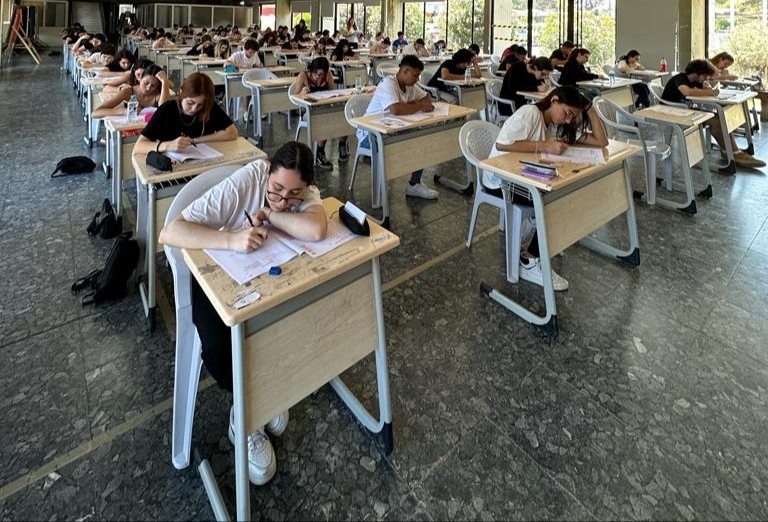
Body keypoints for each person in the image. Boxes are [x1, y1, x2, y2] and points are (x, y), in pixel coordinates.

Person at [158, 141, 327, 486]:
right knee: (220, 346)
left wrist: (271, 214)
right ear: (268, 172)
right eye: (275, 189)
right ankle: (246, 414)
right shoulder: (247, 181)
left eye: (293, 195)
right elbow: (170, 231)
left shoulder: (299, 192)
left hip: (260, 277)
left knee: (286, 320)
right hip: (212, 274)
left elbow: (317, 229)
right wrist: (233, 240)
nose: (282, 199)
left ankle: (266, 391)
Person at [483, 86, 609, 291]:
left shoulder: (557, 126)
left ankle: (539, 235)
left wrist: (589, 108)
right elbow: (502, 145)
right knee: (559, 203)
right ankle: (530, 260)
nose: (568, 120)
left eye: (573, 116)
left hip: (526, 178)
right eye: (567, 112)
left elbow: (601, 142)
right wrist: (544, 146)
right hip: (501, 180)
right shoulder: (531, 113)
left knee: (570, 193)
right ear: (554, 101)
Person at [359, 55, 438, 199]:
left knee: (421, 139)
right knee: (404, 145)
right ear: (405, 71)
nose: (417, 79)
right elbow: (396, 110)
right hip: (370, 135)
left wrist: (411, 106)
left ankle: (414, 185)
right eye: (415, 75)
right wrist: (418, 106)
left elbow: (427, 98)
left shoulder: (410, 86)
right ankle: (379, 196)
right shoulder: (388, 84)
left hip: (393, 129)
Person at [662, 59, 765, 168]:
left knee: (720, 117)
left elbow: (703, 88)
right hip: (672, 112)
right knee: (715, 121)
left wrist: (706, 86)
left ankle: (731, 151)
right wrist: (710, 92)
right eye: (705, 76)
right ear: (697, 73)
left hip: (684, 111)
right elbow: (687, 91)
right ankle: (732, 153)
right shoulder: (680, 79)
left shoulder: (694, 81)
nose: (706, 78)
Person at [132, 72, 237, 155]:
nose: (194, 109)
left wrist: (196, 140)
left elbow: (232, 132)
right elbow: (138, 146)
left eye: (200, 105)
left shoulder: (208, 107)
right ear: (181, 92)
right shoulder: (167, 109)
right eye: (190, 103)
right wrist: (167, 145)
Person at [294, 57, 350, 167]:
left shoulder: (328, 75)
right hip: (308, 110)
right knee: (324, 119)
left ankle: (342, 144)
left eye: (321, 74)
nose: (318, 77)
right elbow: (295, 96)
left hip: (325, 107)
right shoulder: (303, 76)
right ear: (312, 69)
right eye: (316, 73)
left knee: (344, 115)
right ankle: (320, 151)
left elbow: (332, 93)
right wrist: (302, 93)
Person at [93, 64, 172, 118]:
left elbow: (164, 110)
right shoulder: (129, 92)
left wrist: (164, 82)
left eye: (153, 85)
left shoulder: (158, 94)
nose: (148, 88)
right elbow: (95, 113)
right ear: (140, 79)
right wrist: (124, 111)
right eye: (145, 83)